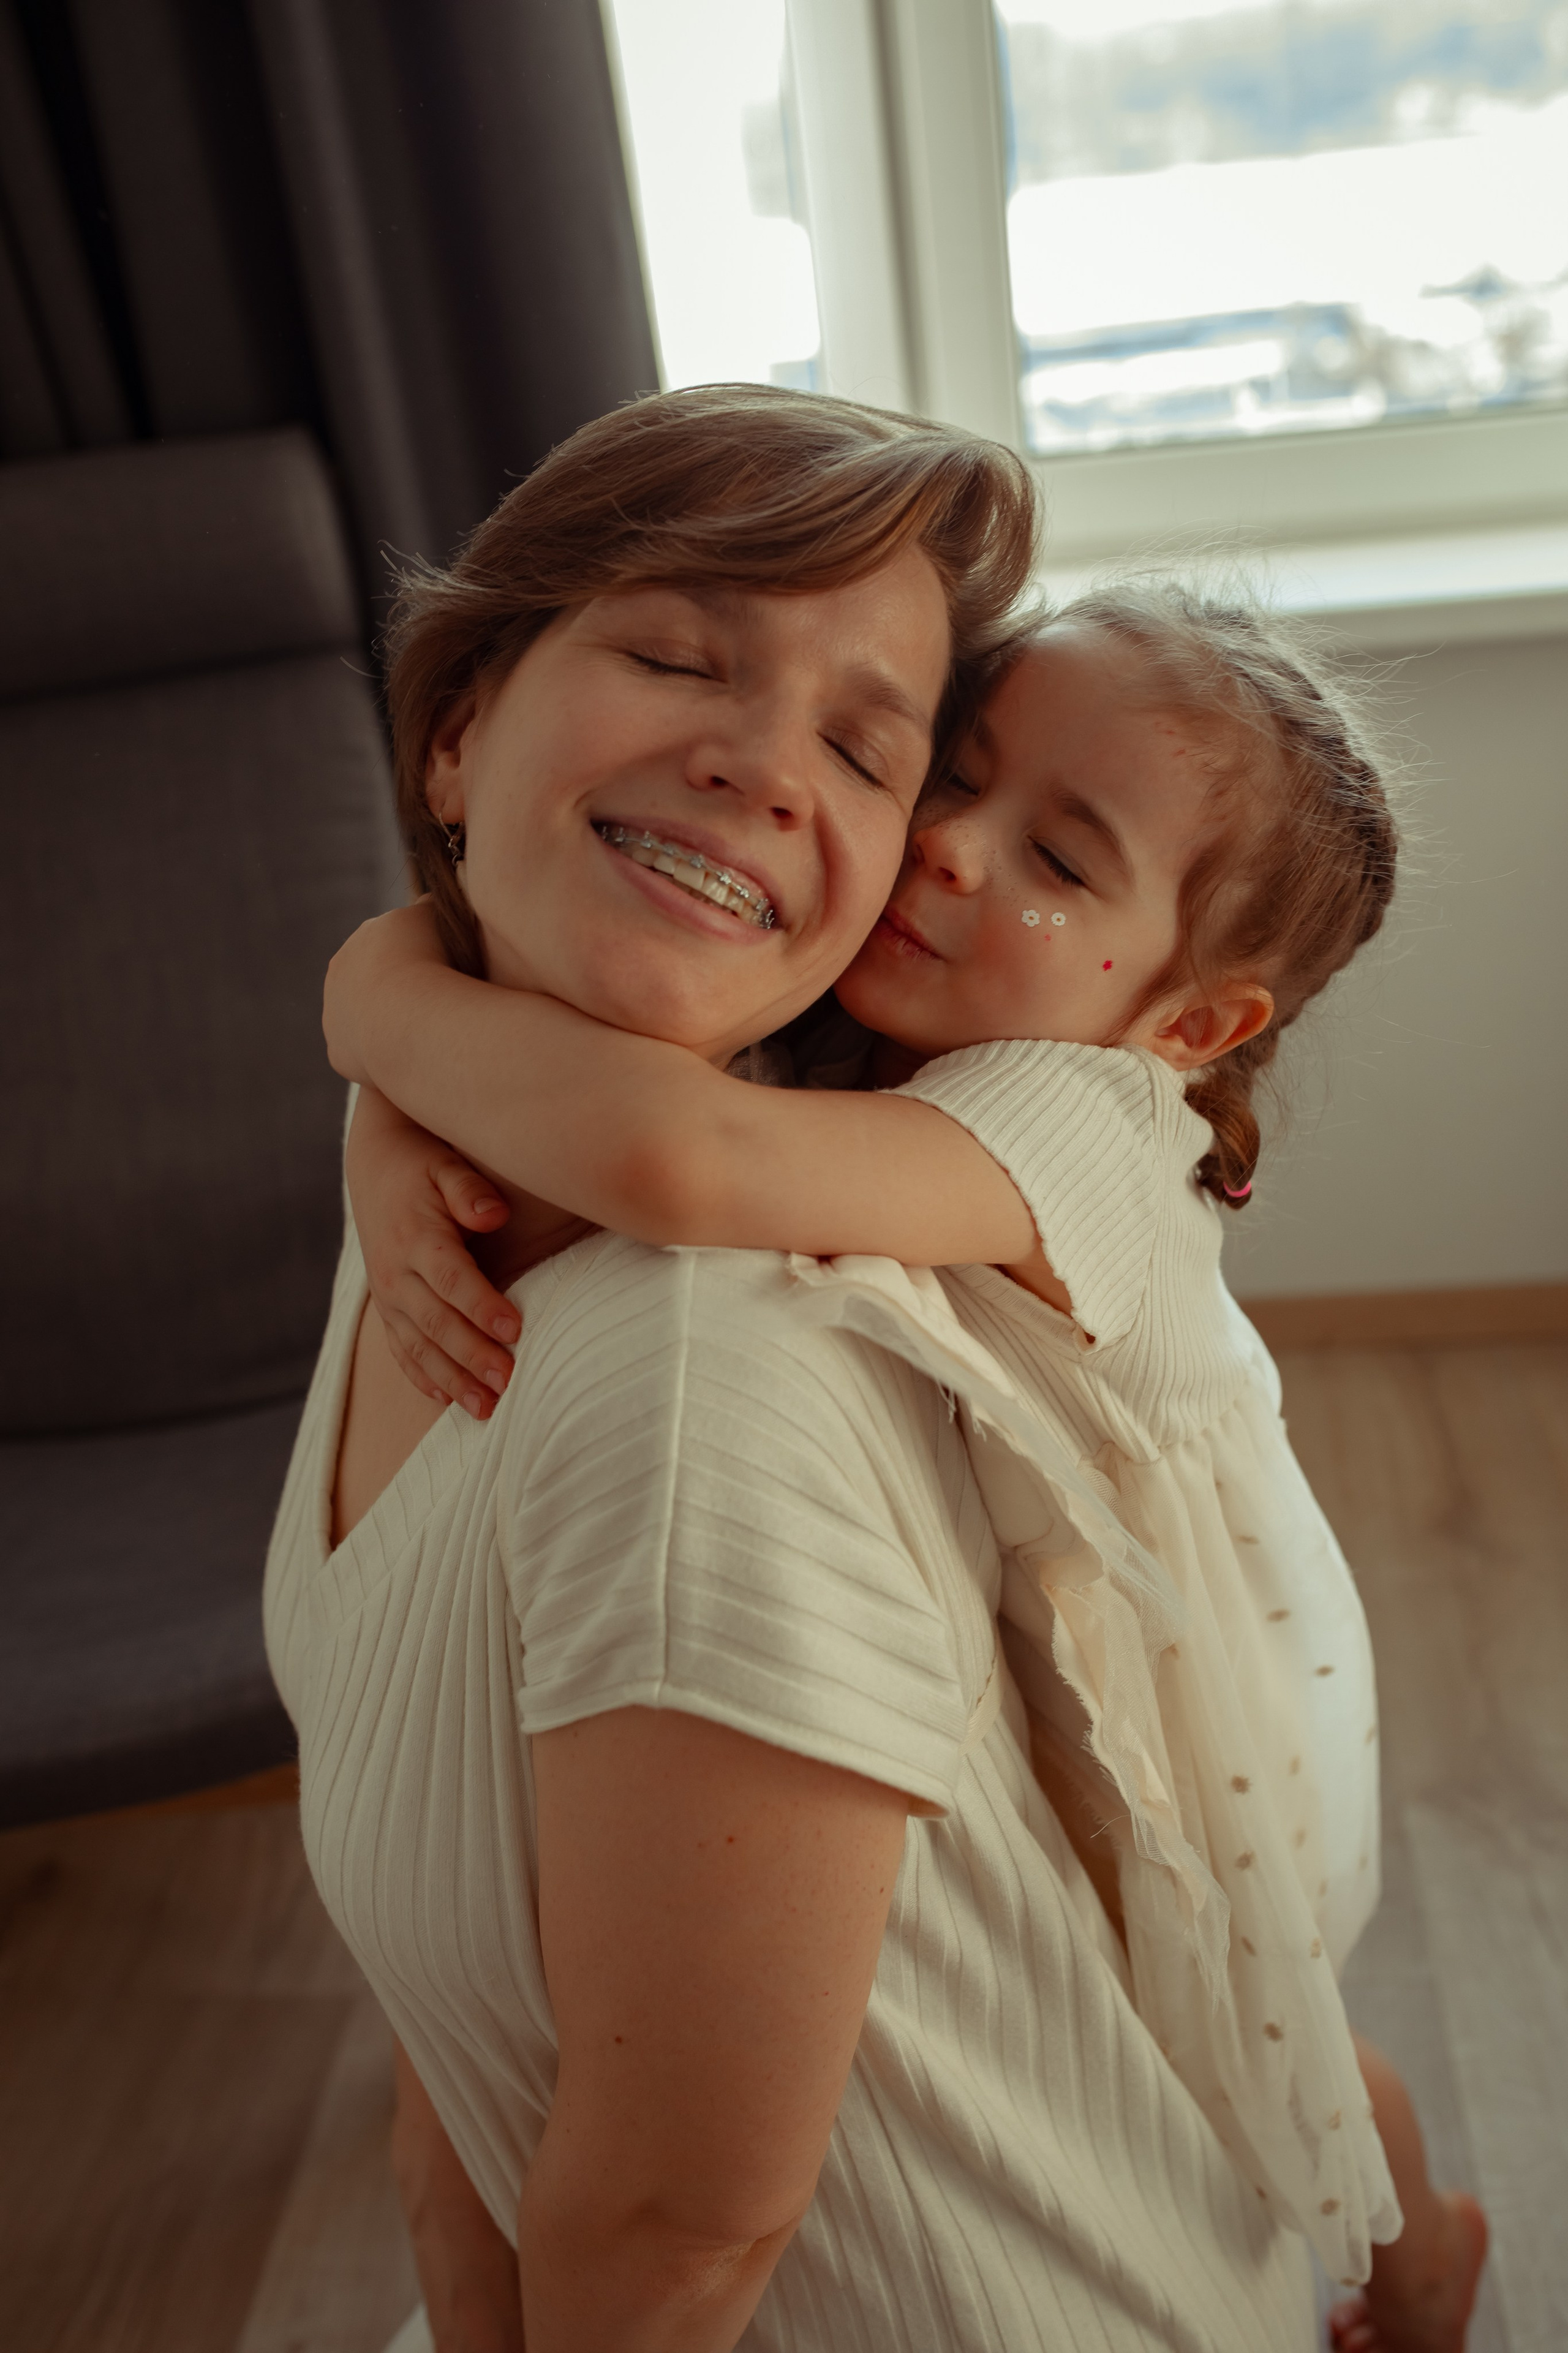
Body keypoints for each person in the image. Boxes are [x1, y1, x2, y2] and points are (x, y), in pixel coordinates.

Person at [271, 383, 1330, 2353]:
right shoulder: (456, 1179)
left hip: (1135, 1938)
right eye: (680, 653)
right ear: (456, 732)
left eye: (866, 745)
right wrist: (384, 1043)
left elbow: (672, 2233)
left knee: (1292, 2024)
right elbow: (478, 2017)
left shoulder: (812, 1284)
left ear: (1197, 1013)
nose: (779, 776)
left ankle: (1407, 2243)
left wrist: (370, 1004)